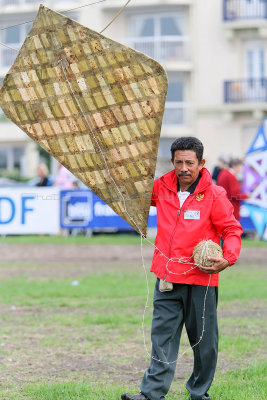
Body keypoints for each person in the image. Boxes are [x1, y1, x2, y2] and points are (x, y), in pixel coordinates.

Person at [121, 137, 243, 400]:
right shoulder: (161, 188)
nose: (184, 168)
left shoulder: (214, 194)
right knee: (161, 336)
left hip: (202, 280)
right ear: (172, 161)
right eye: (179, 162)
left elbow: (231, 229)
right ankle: (152, 393)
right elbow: (130, 191)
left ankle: (199, 393)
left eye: (190, 162)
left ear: (201, 163)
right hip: (166, 278)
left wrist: (228, 257)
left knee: (204, 343)